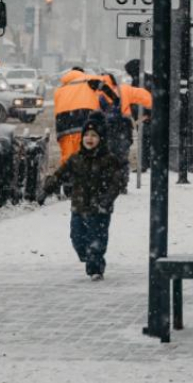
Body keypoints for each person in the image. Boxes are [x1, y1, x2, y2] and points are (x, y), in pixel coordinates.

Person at [44, 113, 124, 280]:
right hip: (79, 207)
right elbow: (60, 174)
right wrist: (47, 188)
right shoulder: (76, 159)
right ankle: (87, 256)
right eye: (86, 135)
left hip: (100, 209)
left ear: (101, 139)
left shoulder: (109, 160)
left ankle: (96, 268)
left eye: (94, 135)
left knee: (97, 240)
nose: (89, 138)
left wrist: (106, 201)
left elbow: (116, 184)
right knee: (77, 238)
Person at [54, 68, 102, 164]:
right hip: (84, 122)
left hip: (64, 127)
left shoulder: (59, 90)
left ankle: (67, 175)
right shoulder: (89, 80)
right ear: (82, 73)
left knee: (68, 156)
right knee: (88, 154)